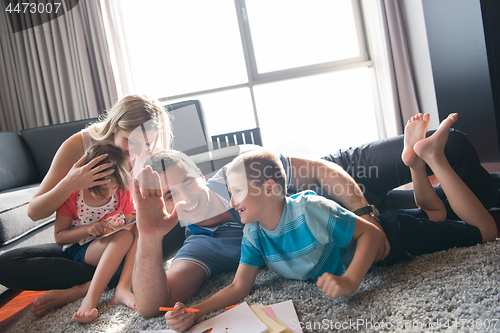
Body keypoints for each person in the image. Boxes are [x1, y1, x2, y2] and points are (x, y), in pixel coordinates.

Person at [131, 113, 498, 320]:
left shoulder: (241, 174)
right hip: (352, 230)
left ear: (199, 175)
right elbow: (154, 305)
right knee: (440, 215)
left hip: (343, 184)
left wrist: (364, 215)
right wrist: (149, 237)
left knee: (456, 148)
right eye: (166, 197)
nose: (181, 200)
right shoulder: (208, 243)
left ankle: (425, 162)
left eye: (183, 186)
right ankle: (423, 168)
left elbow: (322, 173)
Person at [0, 94, 172, 317]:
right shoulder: (79, 145)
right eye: (131, 142)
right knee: (6, 264)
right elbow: (34, 212)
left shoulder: (147, 153)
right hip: (87, 246)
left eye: (147, 144)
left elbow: (146, 214)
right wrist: (71, 183)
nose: (139, 153)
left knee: (169, 230)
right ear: (114, 128)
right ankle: (113, 280)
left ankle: (85, 289)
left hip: (126, 243)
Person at [55, 142, 136, 323]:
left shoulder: (121, 193)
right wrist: (88, 229)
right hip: (82, 247)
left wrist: (133, 221)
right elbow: (59, 237)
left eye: (113, 188)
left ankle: (114, 287)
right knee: (124, 238)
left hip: (113, 243)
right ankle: (90, 299)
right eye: (101, 190)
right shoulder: (73, 197)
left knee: (135, 234)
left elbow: (131, 220)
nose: (108, 194)